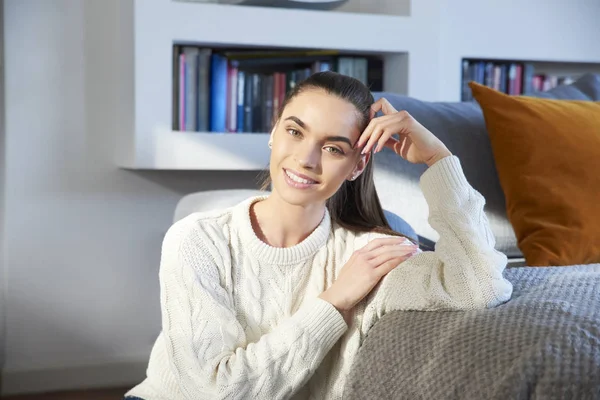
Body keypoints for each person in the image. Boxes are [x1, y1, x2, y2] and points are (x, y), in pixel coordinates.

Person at [124, 71, 513, 400]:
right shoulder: (198, 239)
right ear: (274, 132)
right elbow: (213, 392)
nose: (306, 159)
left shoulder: (365, 256)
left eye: (332, 147)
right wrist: (334, 301)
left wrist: (438, 158)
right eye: (295, 131)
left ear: (357, 165)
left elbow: (479, 285)